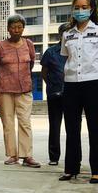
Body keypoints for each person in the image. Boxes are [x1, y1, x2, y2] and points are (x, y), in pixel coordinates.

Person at [59, 0, 98, 184]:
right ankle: (71, 168)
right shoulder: (67, 34)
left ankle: (97, 170)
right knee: (72, 128)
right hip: (72, 84)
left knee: (95, 128)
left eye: (84, 7)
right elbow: (67, 58)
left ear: (92, 9)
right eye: (77, 7)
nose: (80, 11)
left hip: (94, 83)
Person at [0, 14, 40, 168]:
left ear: (23, 28)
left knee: (25, 122)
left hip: (25, 88)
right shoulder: (0, 46)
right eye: (13, 27)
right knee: (8, 122)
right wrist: (6, 78)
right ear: (8, 29)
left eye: (19, 27)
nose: (16, 30)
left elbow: (31, 63)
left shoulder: (29, 44)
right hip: (4, 89)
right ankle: (13, 155)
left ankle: (27, 156)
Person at [40, 23, 68, 166]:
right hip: (55, 94)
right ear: (59, 35)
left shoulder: (76, 50)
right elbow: (44, 72)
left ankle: (72, 158)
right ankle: (54, 157)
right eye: (64, 32)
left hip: (73, 94)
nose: (67, 35)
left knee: (72, 127)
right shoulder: (50, 52)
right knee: (55, 126)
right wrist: (52, 85)